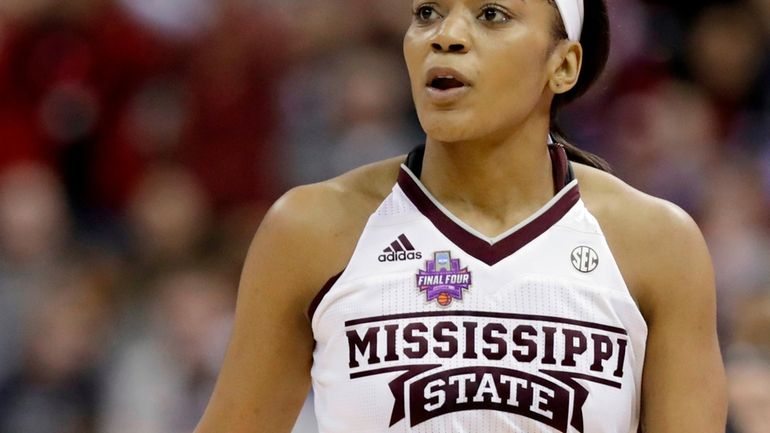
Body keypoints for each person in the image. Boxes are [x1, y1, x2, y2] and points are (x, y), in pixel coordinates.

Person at [193, 0, 727, 432]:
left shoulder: (658, 243)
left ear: (562, 65)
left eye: (492, 14)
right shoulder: (310, 228)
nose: (444, 35)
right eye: (427, 12)